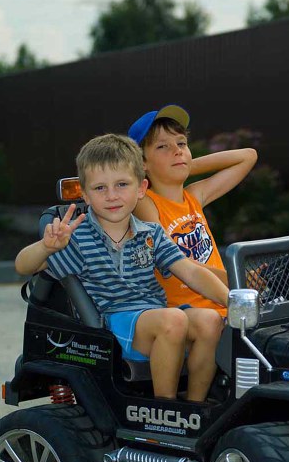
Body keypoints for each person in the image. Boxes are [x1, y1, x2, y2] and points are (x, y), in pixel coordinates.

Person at [14, 133, 227, 403]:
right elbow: (23, 265)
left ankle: (195, 406)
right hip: (111, 327)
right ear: (85, 194)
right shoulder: (76, 236)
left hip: (154, 319)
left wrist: (231, 301)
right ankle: (165, 410)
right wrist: (46, 247)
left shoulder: (151, 234)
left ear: (141, 188)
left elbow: (191, 271)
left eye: (122, 184)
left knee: (210, 320)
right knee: (173, 320)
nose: (112, 196)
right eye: (100, 188)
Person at [128, 104, 257, 317]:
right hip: (188, 315)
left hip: (222, 306)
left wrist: (185, 165)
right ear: (142, 162)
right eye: (163, 147)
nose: (177, 150)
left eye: (181, 144)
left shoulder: (194, 195)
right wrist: (236, 279)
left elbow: (248, 156)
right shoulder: (143, 202)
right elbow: (175, 259)